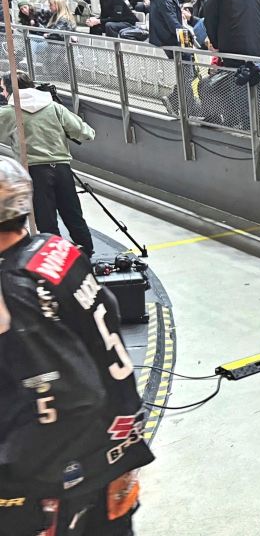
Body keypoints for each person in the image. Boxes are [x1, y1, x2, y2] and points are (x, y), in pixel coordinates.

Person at [0, 157, 155, 536]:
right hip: (114, 442)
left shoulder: (11, 290)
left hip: (62, 477)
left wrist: (11, 473)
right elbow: (109, 310)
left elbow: (61, 394)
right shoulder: (55, 250)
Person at [0, 71, 96, 257]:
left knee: (46, 221)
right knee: (73, 214)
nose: (2, 94)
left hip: (35, 171)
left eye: (3, 89)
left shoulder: (10, 112)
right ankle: (87, 254)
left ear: (10, 90)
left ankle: (55, 258)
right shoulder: (54, 107)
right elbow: (85, 133)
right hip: (62, 169)